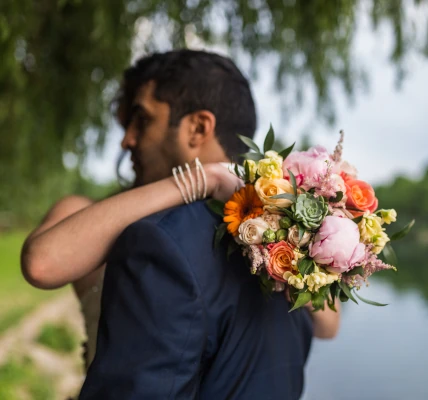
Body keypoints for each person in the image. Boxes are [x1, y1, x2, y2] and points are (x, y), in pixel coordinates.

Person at [21, 49, 339, 398]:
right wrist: (202, 180)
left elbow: (328, 323)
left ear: (198, 128)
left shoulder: (273, 229)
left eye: (142, 120)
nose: (126, 139)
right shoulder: (90, 213)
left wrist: (291, 236)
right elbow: (42, 263)